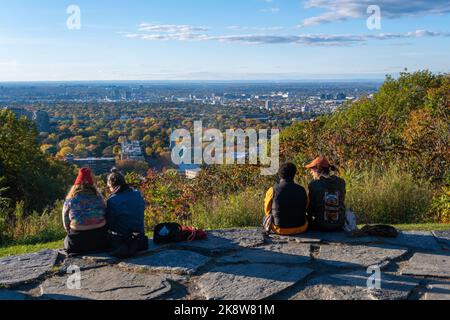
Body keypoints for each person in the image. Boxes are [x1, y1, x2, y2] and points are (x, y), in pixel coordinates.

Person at [63, 168, 109, 255]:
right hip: (101, 239)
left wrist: (69, 231)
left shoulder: (70, 200)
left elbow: (65, 221)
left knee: (66, 240)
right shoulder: (99, 199)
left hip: (78, 241)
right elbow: (105, 213)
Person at [106, 169, 148, 255]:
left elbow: (109, 224)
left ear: (112, 186)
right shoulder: (137, 194)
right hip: (140, 238)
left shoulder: (112, 200)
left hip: (121, 239)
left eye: (109, 187)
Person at [264, 163, 308, 235]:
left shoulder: (272, 190)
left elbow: (267, 211)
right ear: (294, 174)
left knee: (265, 218)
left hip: (279, 229)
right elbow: (305, 207)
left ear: (279, 175)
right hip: (301, 228)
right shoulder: (302, 190)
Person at [306, 157, 346, 231]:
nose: (311, 172)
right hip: (339, 224)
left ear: (318, 169)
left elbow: (310, 209)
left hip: (319, 225)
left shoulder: (313, 184)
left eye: (312, 169)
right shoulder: (341, 182)